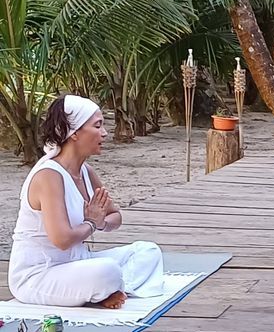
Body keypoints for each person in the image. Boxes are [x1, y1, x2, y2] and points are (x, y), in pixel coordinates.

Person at [9, 95, 164, 309]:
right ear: (74, 132)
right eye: (97, 126)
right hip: (38, 276)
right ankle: (106, 287)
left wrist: (101, 222)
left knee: (148, 252)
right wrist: (91, 222)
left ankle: (110, 289)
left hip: (77, 264)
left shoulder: (85, 171)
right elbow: (62, 239)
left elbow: (115, 216)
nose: (105, 133)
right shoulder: (48, 176)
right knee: (107, 271)